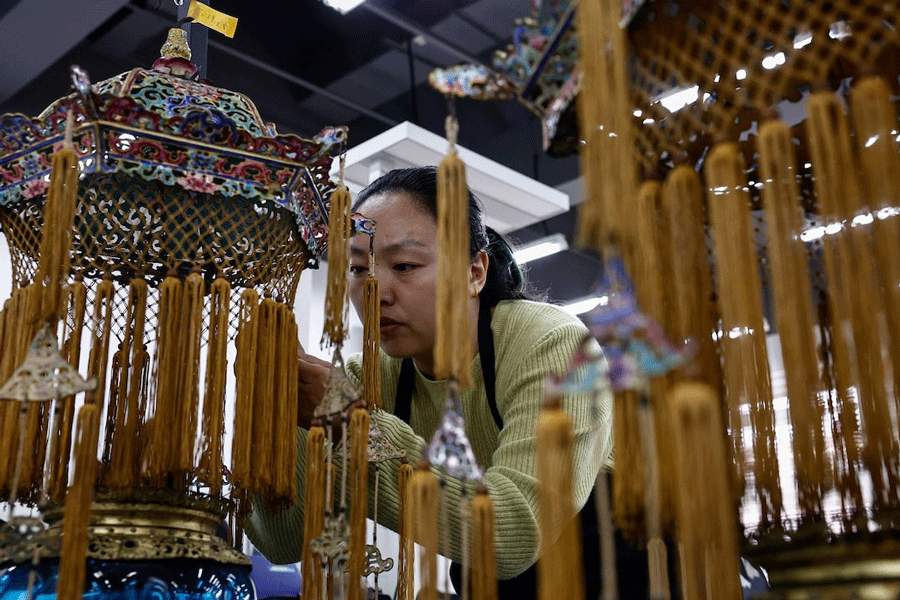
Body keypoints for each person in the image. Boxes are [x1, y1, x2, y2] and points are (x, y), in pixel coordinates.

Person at [246, 166, 613, 598]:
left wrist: (353, 426)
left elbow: (514, 534)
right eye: (358, 268)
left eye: (404, 265)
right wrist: (275, 413)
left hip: (614, 564)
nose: (374, 292)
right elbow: (284, 539)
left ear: (475, 273)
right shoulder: (371, 377)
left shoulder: (555, 345)